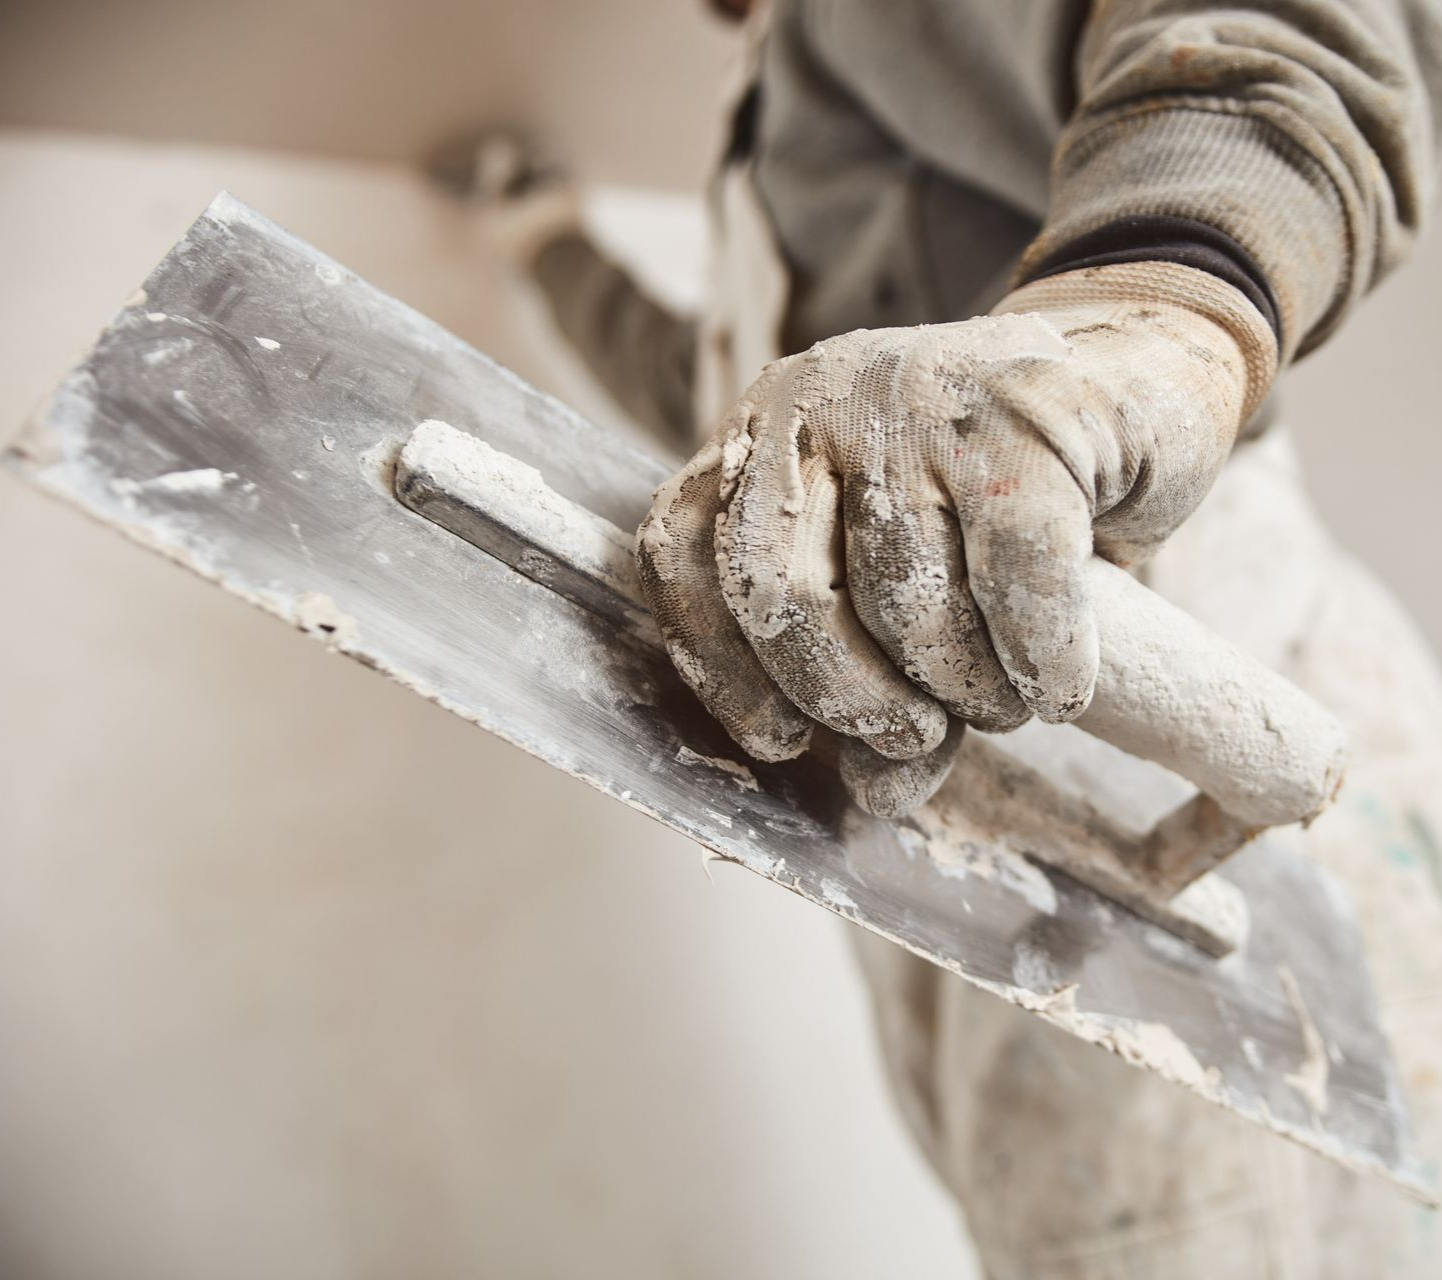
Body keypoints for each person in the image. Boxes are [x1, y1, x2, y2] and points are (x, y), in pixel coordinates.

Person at [475, 1, 1442, 1273]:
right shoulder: (764, 151)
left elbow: (1261, 46)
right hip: (968, 811)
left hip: (1193, 719)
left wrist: (1142, 318)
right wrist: (547, 244)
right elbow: (696, 389)